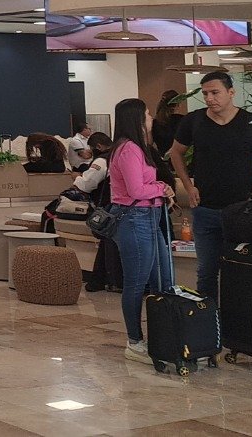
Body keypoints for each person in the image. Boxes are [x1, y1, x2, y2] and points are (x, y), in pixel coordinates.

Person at [168, 71, 252, 300]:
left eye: (215, 93)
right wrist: (189, 186)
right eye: (206, 93)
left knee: (240, 269)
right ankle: (208, 321)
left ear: (230, 93)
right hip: (206, 209)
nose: (209, 98)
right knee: (206, 271)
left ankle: (238, 323)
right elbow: (176, 153)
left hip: (240, 210)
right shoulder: (194, 121)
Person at [108, 98, 175, 364]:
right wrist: (161, 189)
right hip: (135, 219)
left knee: (164, 279)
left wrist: (160, 187)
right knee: (137, 283)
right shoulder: (129, 150)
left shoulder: (138, 148)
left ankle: (163, 336)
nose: (151, 118)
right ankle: (135, 341)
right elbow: (136, 191)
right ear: (137, 119)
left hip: (150, 217)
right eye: (147, 114)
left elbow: (143, 183)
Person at [72, 131, 123, 292]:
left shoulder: (102, 160)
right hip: (124, 206)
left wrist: (77, 177)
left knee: (107, 242)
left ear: (98, 146)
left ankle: (104, 280)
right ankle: (101, 279)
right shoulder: (120, 153)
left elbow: (87, 184)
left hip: (108, 208)